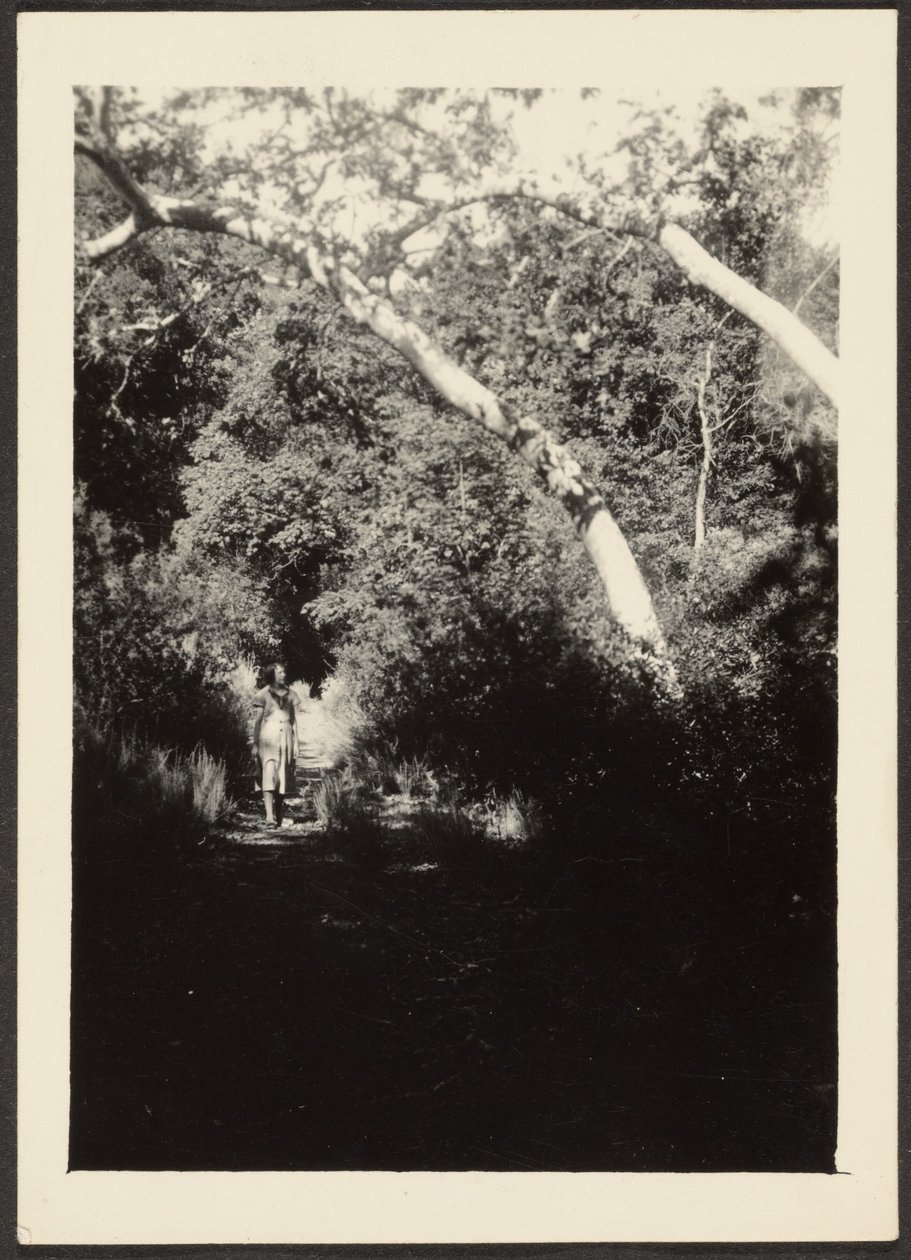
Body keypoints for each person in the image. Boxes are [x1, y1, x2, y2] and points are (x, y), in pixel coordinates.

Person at [251, 662, 301, 828]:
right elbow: (258, 722)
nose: (283, 675)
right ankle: (269, 817)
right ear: (271, 674)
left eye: (284, 672)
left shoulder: (291, 694)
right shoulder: (262, 694)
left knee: (282, 776)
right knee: (269, 773)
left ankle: (278, 814)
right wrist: (255, 744)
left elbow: (293, 720)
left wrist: (297, 743)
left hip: (286, 736)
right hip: (268, 737)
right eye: (279, 672)